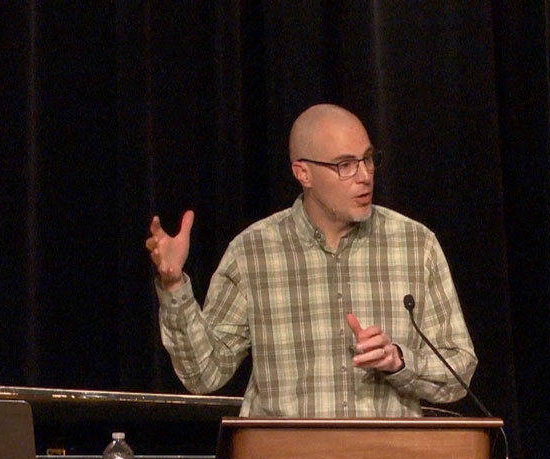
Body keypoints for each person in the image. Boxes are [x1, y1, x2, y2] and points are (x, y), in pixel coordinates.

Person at [145, 103, 476, 417]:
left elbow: (459, 369)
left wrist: (399, 360)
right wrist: (174, 284)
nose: (364, 176)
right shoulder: (253, 253)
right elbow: (204, 374)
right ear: (303, 172)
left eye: (368, 159)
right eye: (345, 165)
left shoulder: (415, 245)